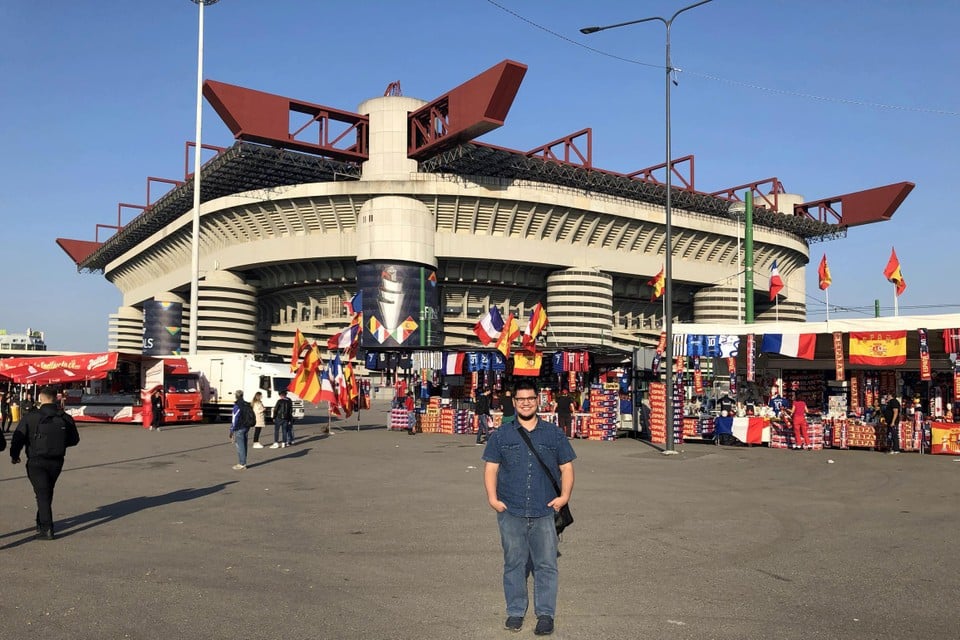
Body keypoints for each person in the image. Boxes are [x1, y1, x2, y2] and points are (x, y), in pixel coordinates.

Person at [482, 379, 576, 636]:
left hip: (545, 509)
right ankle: (515, 611)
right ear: (514, 403)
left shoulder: (553, 434)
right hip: (510, 510)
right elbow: (491, 467)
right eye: (521, 399)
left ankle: (545, 614)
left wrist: (564, 497)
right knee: (514, 563)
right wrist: (492, 498)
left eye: (530, 399)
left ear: (538, 401)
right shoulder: (502, 434)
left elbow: (566, 467)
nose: (525, 403)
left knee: (546, 565)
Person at [9, 386, 80, 540]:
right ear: (56, 398)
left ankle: (47, 528)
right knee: (47, 491)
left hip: (36, 460)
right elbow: (75, 440)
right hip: (57, 460)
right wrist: (58, 444)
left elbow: (18, 438)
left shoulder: (31, 416)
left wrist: (15, 455)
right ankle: (41, 521)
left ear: (41, 398)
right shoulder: (65, 417)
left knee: (42, 493)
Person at [230, 390, 253, 470]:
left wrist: (231, 430)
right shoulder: (247, 404)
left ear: (236, 396)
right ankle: (243, 462)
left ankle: (242, 463)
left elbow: (235, 418)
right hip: (247, 426)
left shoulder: (237, 405)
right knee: (244, 445)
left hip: (239, 427)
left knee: (240, 446)